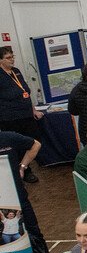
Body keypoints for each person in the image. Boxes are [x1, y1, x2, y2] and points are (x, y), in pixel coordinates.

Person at [0, 46, 42, 184]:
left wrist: (33, 110)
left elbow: (26, 92)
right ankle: (21, 171)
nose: (12, 59)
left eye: (13, 56)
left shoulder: (16, 72)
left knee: (31, 142)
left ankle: (24, 166)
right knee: (16, 145)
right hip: (10, 118)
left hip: (26, 115)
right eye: (8, 58)